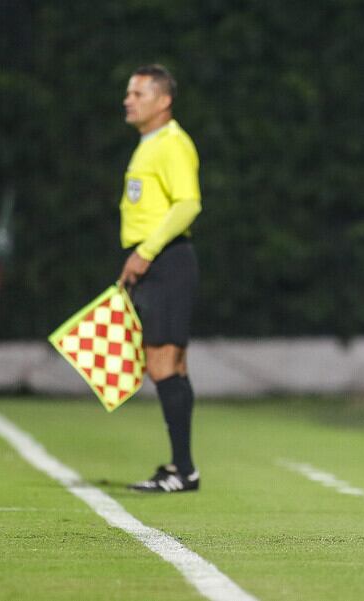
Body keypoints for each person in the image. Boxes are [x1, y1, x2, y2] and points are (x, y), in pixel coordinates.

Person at [119, 64, 202, 493]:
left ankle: (183, 470)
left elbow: (188, 204)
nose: (127, 100)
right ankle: (182, 467)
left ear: (163, 100)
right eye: (129, 93)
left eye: (137, 93)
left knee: (162, 363)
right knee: (171, 364)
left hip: (165, 260)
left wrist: (145, 252)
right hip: (155, 260)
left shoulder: (172, 143)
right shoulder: (149, 143)